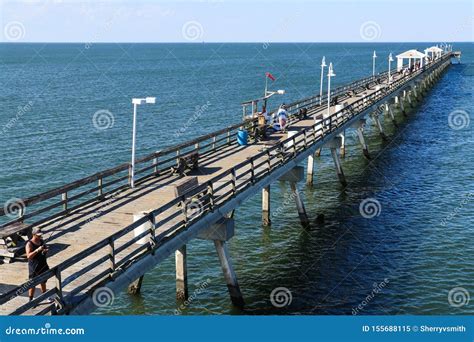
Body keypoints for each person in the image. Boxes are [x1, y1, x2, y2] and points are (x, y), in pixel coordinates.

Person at [26, 227, 50, 302]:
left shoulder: (42, 241)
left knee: (43, 281)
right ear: (34, 234)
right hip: (34, 266)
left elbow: (44, 251)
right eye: (38, 235)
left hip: (43, 264)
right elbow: (29, 256)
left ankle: (45, 296)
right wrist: (37, 250)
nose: (40, 236)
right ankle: (30, 300)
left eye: (40, 235)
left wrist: (45, 251)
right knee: (32, 284)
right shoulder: (29, 244)